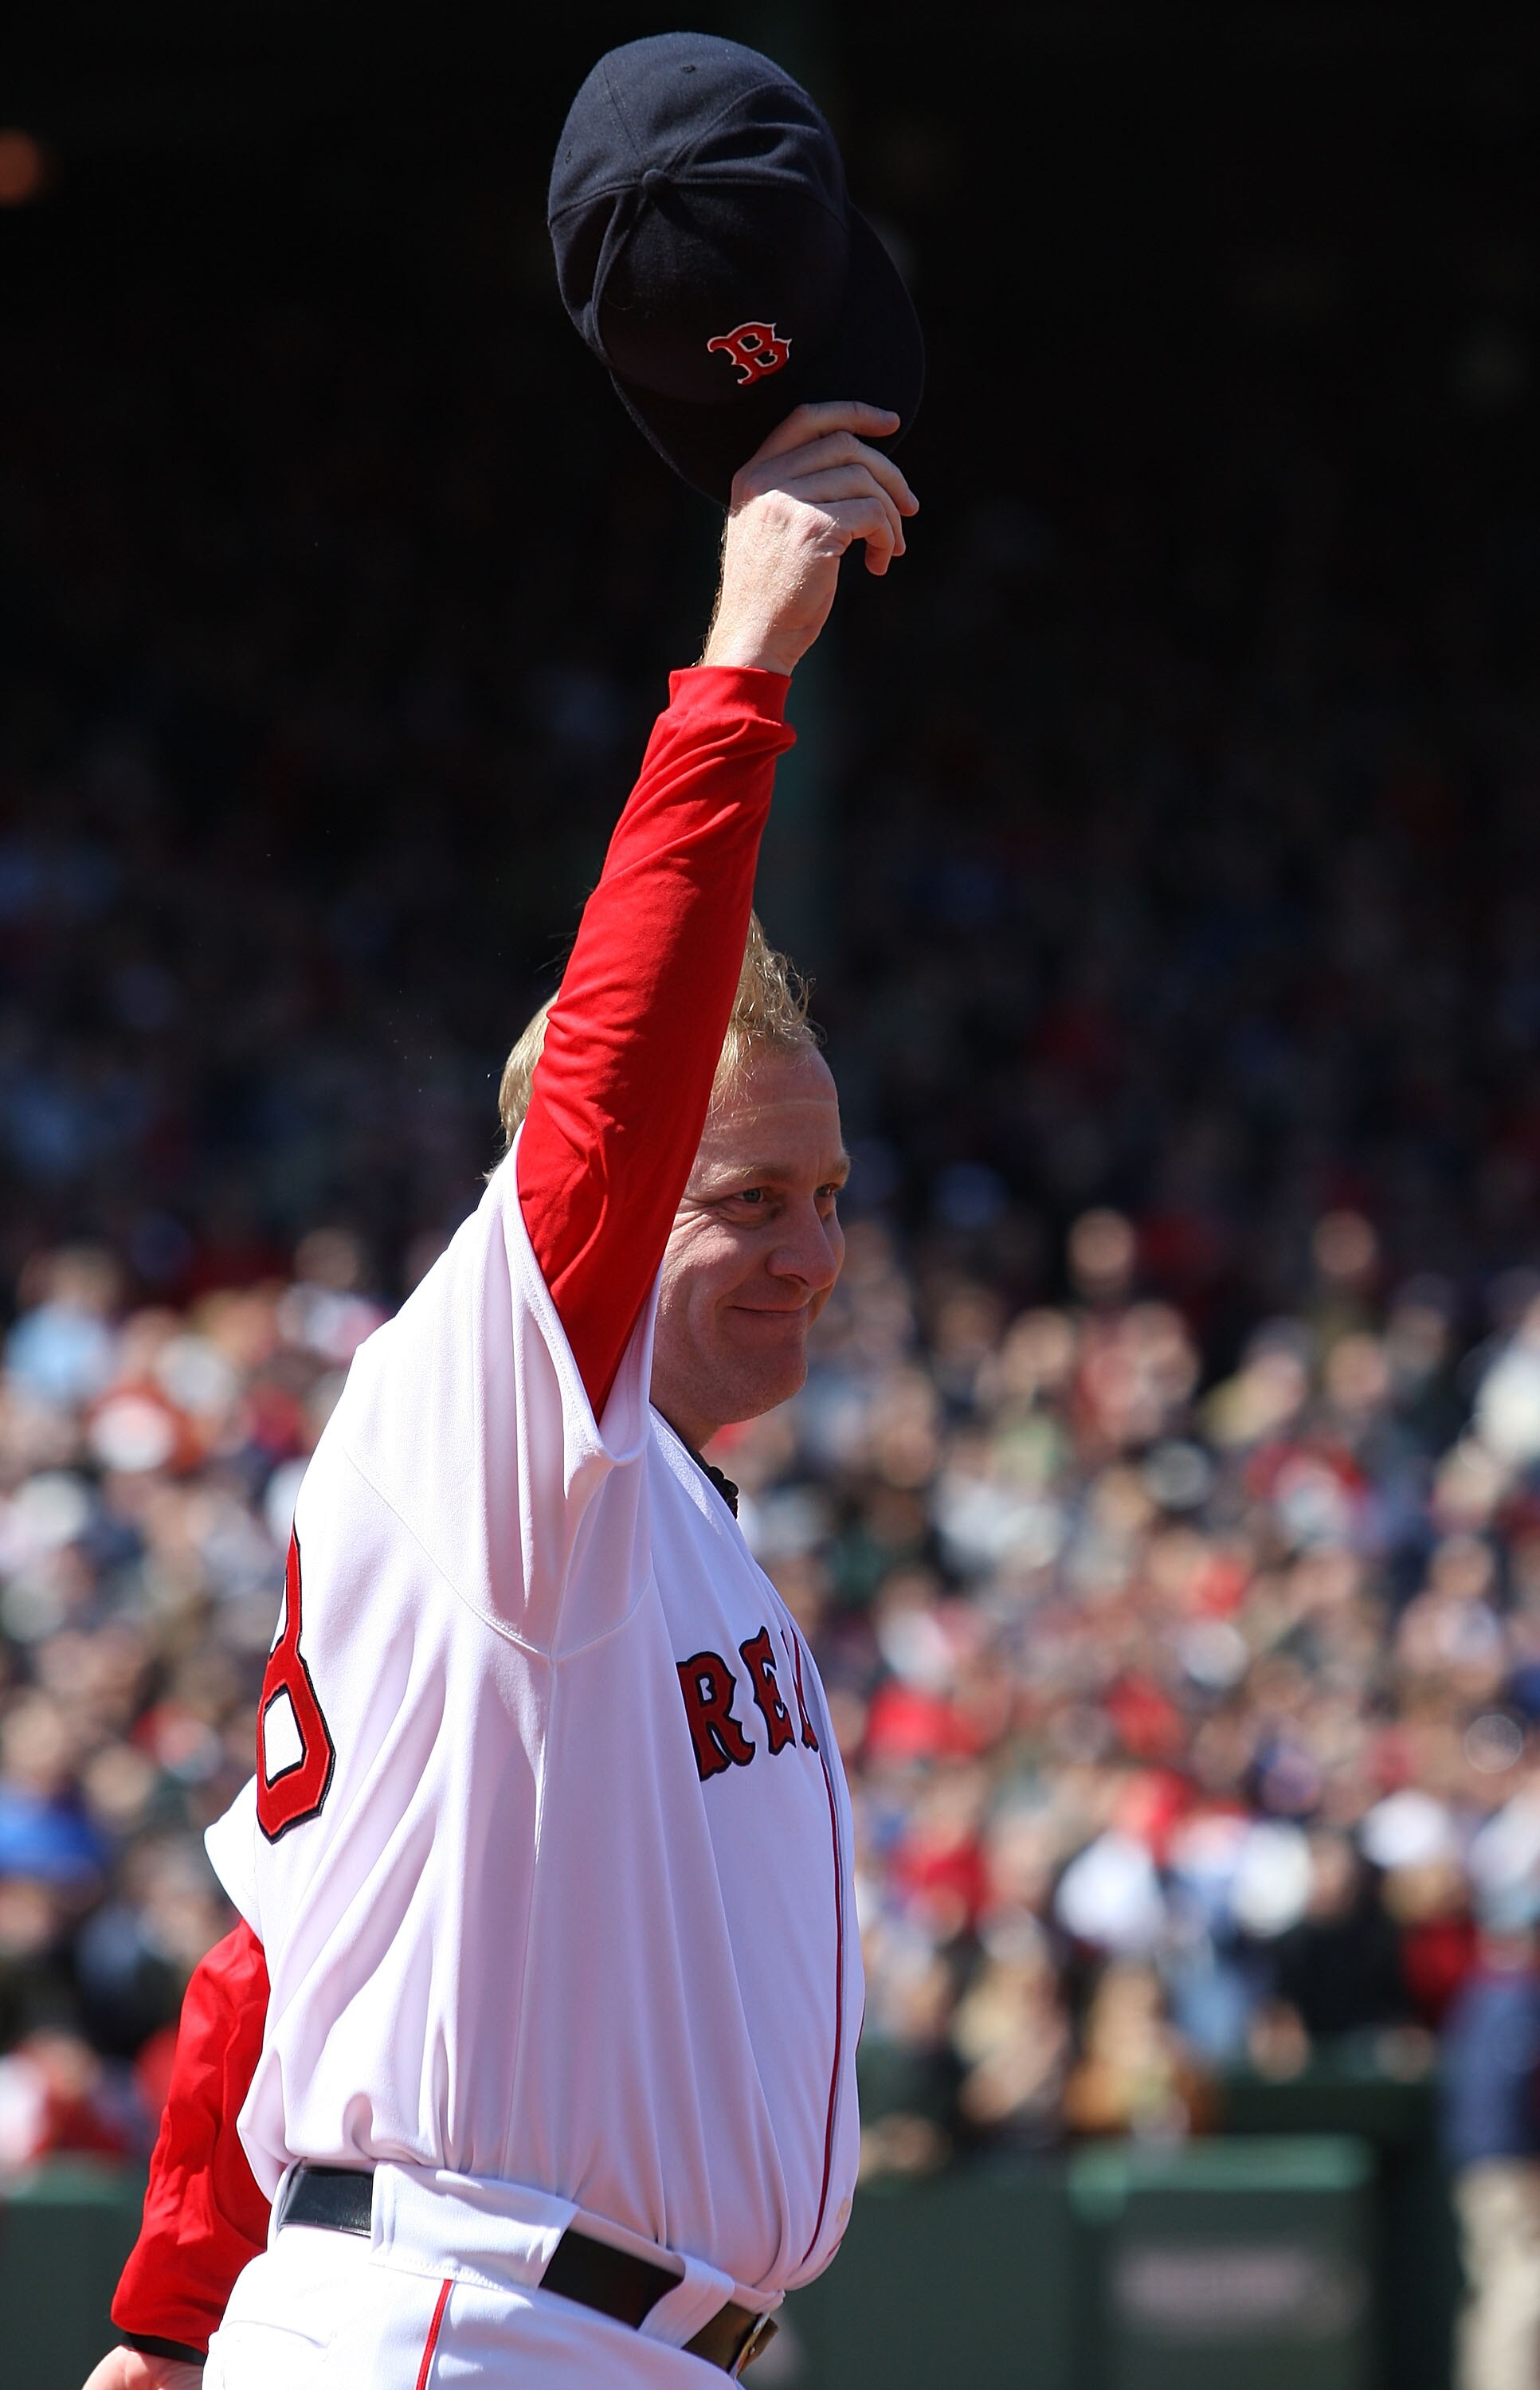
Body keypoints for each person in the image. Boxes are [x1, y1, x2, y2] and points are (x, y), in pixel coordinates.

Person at [84, 397, 919, 2390]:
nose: (809, 1249)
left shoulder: (635, 1514)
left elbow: (275, 1939)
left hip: (553, 2332)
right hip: (475, 2321)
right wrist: (739, 670)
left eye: (828, 1196)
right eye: (744, 1202)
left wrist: (172, 2322)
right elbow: (614, 1086)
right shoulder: (512, 1423)